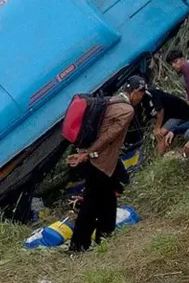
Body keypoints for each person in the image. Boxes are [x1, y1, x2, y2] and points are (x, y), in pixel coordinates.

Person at [65, 80, 135, 252]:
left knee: (108, 200)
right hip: (100, 163)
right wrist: (87, 154)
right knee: (91, 204)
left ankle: (105, 238)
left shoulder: (110, 101)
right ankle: (78, 246)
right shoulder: (127, 110)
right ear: (136, 91)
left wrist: (85, 153)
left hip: (101, 163)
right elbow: (109, 136)